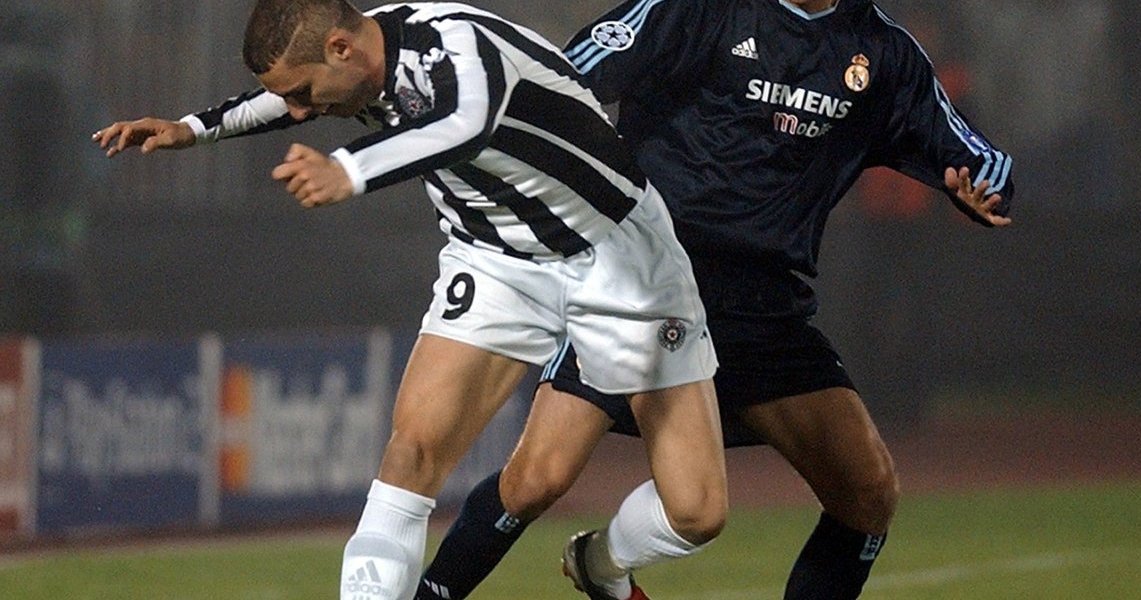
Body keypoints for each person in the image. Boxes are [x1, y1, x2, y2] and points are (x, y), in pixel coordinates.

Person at [91, 2, 730, 600]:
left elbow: (464, 124)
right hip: (495, 260)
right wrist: (194, 129)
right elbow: (284, 97)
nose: (297, 112)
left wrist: (348, 169)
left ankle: (600, 563)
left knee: (696, 512)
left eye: (304, 93)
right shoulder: (350, 58)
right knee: (412, 455)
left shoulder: (461, 46)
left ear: (341, 49)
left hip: (618, 258)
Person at [414, 0, 1015, 599]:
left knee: (868, 492)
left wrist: (986, 187)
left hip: (764, 307)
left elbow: (977, 155)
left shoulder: (882, 52)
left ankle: (601, 565)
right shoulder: (698, 9)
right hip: (642, 285)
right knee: (536, 479)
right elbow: (568, 75)